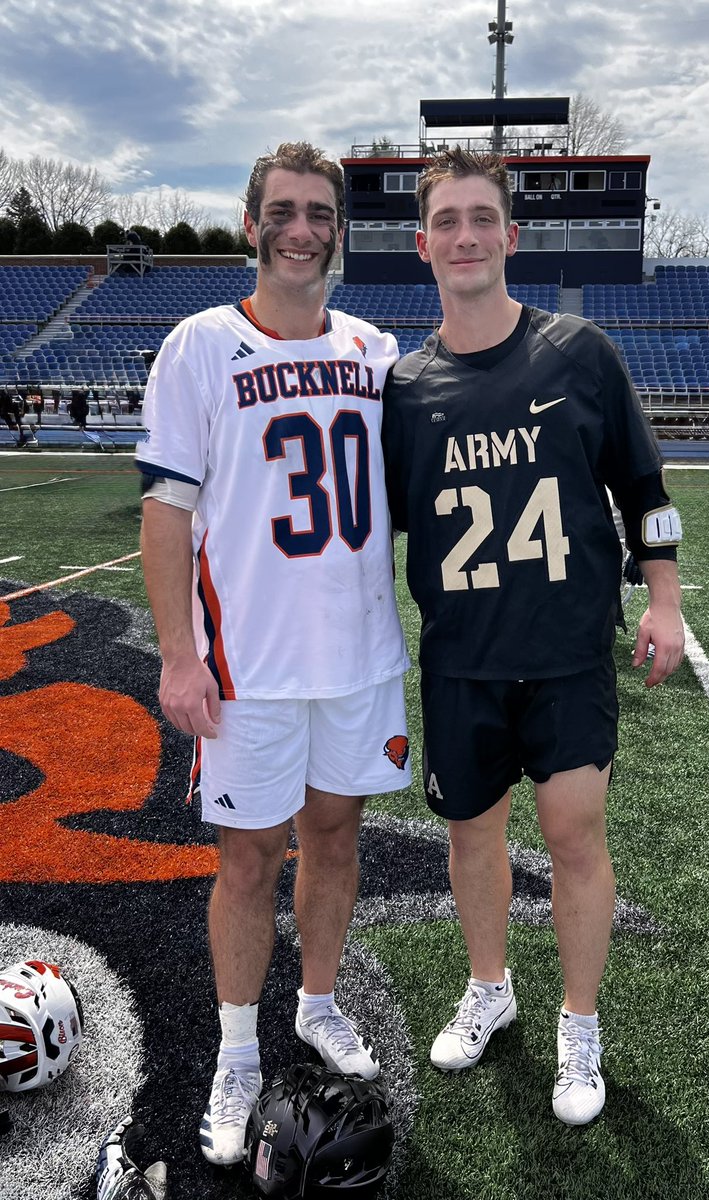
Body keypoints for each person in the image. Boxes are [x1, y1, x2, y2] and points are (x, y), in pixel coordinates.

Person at [382, 148, 684, 1126]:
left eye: (481, 218)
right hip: (461, 655)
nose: (464, 236)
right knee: (471, 835)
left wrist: (666, 601)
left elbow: (646, 491)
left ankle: (579, 1023)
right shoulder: (404, 387)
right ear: (422, 243)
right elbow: (375, 526)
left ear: (509, 237)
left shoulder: (578, 353)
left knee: (571, 836)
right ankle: (489, 986)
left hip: (563, 652)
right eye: (446, 222)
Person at [136, 142, 411, 1167]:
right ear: (251, 223)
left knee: (335, 841)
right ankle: (239, 1050)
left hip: (357, 658)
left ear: (338, 228)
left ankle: (319, 1004)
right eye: (282, 211)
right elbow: (166, 513)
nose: (301, 230)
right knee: (247, 859)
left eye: (318, 214)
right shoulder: (200, 346)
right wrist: (177, 655)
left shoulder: (375, 350)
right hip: (245, 665)